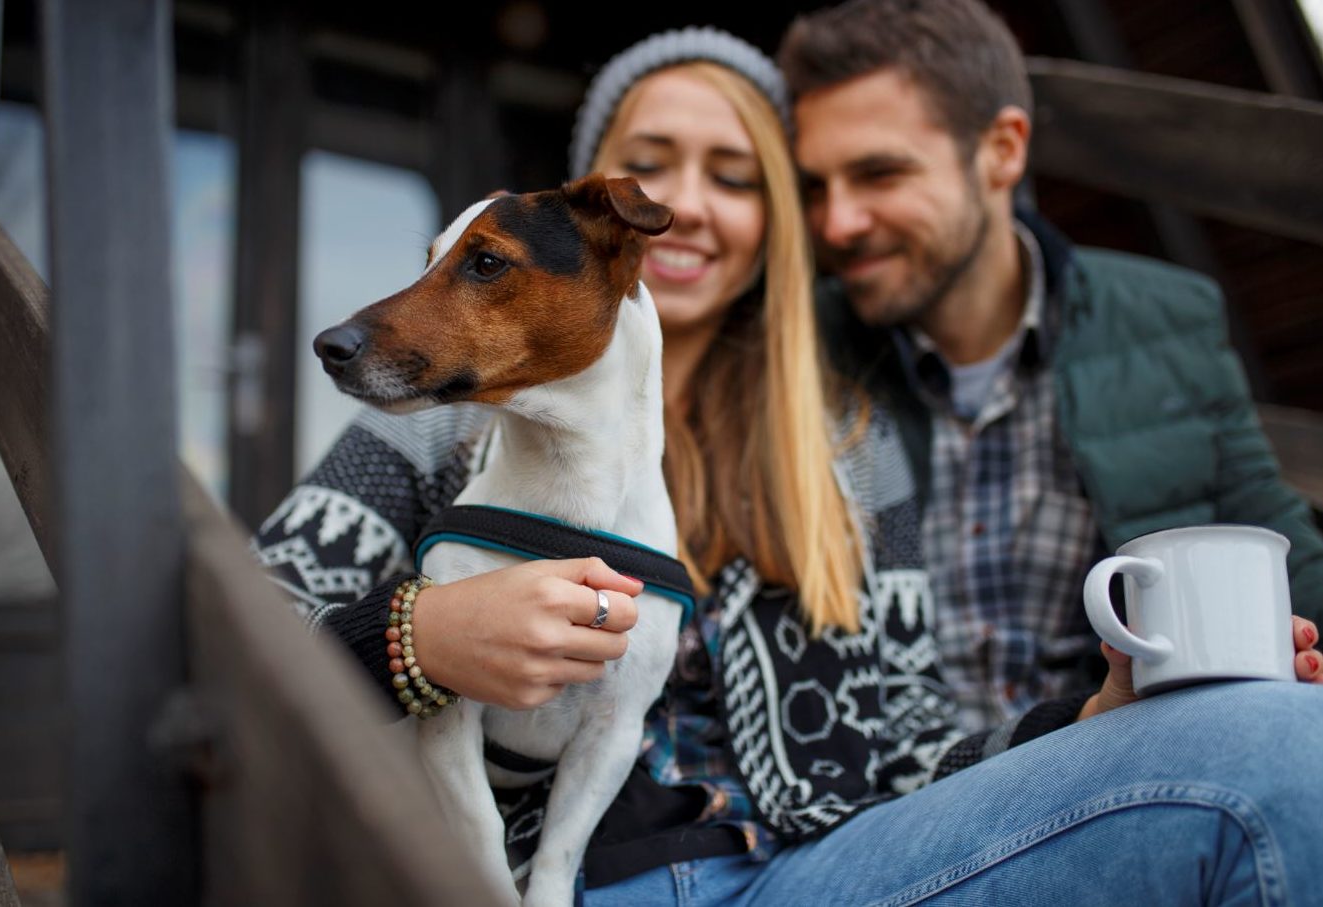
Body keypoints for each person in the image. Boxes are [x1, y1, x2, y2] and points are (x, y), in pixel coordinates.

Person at [253, 25, 1323, 906]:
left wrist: (1084, 723)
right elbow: (246, 641)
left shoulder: (843, 448)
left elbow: (903, 742)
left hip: (816, 873)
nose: (688, 204)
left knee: (1278, 743)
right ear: (595, 209)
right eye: (651, 159)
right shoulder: (445, 412)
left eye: (736, 175)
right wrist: (417, 636)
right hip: (542, 881)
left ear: (772, 222)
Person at [777, 0, 1323, 731]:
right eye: (814, 186)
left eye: (879, 174)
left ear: (1002, 149)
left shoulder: (1163, 318)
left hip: (1114, 764)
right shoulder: (796, 347)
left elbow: (1281, 556)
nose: (836, 222)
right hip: (892, 806)